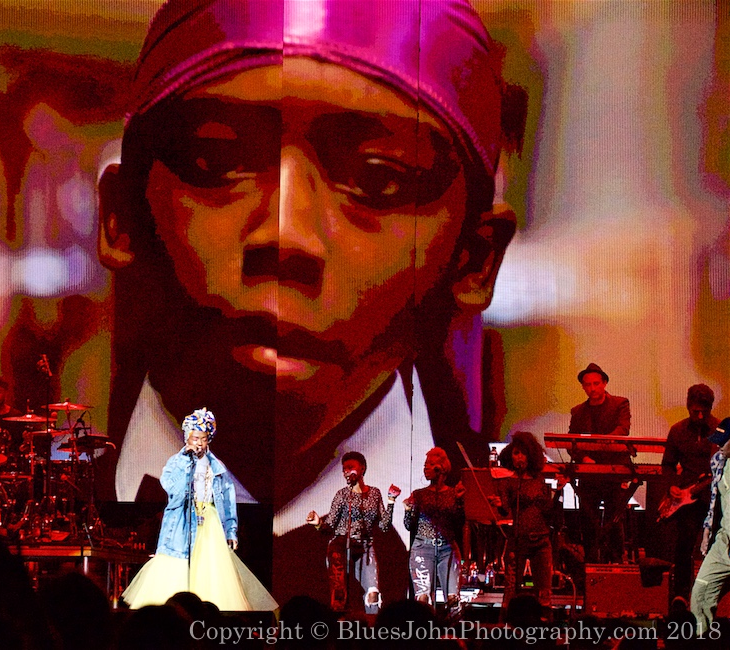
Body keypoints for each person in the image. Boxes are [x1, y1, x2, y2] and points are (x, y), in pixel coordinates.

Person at [98, 0, 526, 603]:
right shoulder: (60, 490)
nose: (285, 234)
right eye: (215, 161)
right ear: (120, 216)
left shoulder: (482, 514)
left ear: (475, 260)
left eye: (379, 179)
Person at [121, 408, 276, 611]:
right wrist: (185, 462)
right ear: (187, 438)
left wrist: (231, 530)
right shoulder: (176, 463)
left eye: (203, 439)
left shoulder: (217, 467)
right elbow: (172, 489)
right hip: (181, 523)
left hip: (209, 522)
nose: (199, 443)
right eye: (195, 438)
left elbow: (228, 500)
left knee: (210, 570)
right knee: (176, 567)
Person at [306, 451, 399, 614]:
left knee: (373, 593)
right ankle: (340, 624)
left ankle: (373, 626)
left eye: (350, 467)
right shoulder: (342, 495)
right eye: (344, 469)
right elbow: (329, 526)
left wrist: (391, 501)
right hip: (341, 546)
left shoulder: (374, 493)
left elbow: (384, 526)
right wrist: (318, 523)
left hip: (365, 546)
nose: (346, 471)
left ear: (362, 468)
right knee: (340, 593)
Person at [489, 431, 563, 617]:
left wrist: (558, 493)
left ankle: (544, 627)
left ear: (531, 456)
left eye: (523, 453)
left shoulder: (539, 480)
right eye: (516, 453)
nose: (519, 457)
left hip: (541, 541)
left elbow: (548, 511)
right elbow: (505, 510)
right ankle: (508, 625)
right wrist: (499, 504)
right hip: (518, 541)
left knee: (544, 592)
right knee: (511, 591)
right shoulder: (508, 482)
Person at [568, 362, 632, 563]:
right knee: (588, 520)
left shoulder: (620, 404)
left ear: (604, 383)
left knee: (615, 519)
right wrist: (584, 458)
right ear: (583, 387)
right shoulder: (578, 411)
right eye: (588, 385)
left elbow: (623, 430)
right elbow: (571, 442)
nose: (592, 388)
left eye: (596, 383)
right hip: (589, 474)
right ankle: (590, 563)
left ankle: (616, 563)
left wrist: (601, 444)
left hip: (614, 471)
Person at [660, 384, 719, 601]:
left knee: (716, 547)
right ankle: (681, 595)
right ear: (688, 407)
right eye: (696, 411)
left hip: (716, 498)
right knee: (684, 545)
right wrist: (672, 485)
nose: (700, 416)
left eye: (705, 411)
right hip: (687, 498)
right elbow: (668, 464)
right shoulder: (678, 430)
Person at [403, 447, 465, 611]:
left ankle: (454, 626)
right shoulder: (419, 494)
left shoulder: (453, 494)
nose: (426, 468)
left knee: (453, 598)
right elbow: (409, 526)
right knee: (422, 598)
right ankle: (423, 626)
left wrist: (459, 502)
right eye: (425, 465)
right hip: (422, 548)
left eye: (430, 464)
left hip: (448, 548)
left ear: (441, 468)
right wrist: (408, 510)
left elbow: (459, 524)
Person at [690, 417, 730, 634]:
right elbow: (715, 498)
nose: (719, 446)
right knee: (700, 595)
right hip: (724, 542)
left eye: (724, 442)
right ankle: (701, 639)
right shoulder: (718, 461)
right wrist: (707, 531)